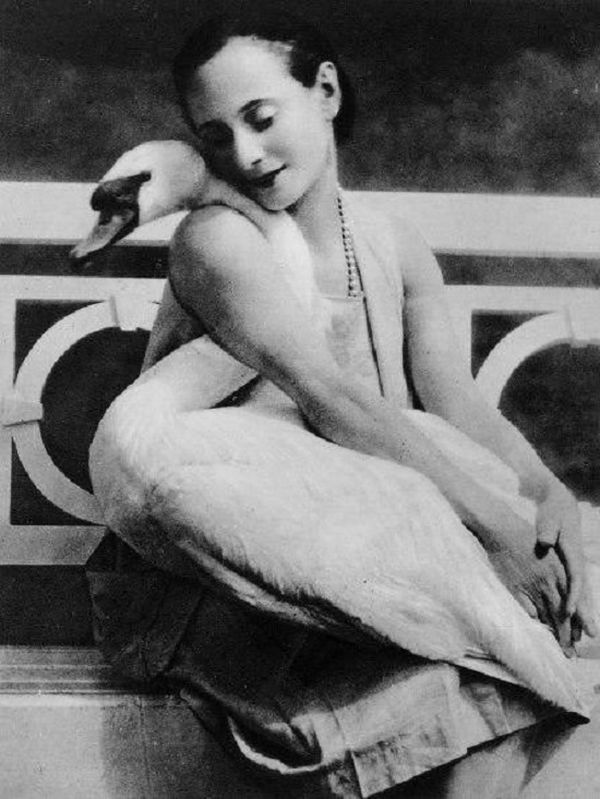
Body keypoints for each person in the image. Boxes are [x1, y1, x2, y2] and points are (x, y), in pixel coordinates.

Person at [84, 10, 598, 798]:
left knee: (496, 691)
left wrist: (543, 494)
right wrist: (497, 531)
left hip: (370, 554)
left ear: (324, 91)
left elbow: (455, 402)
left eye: (261, 118)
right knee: (461, 698)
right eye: (216, 138)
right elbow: (330, 397)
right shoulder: (219, 240)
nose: (245, 154)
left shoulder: (394, 244)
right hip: (223, 572)